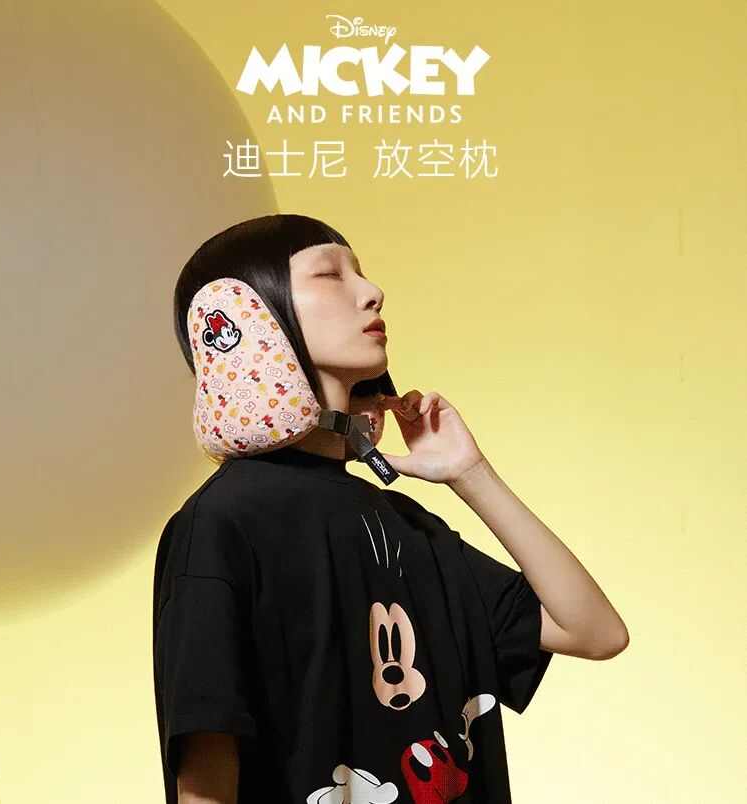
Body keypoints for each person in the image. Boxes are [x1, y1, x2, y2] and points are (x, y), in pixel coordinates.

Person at [152, 213, 630, 804]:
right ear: (240, 319)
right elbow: (205, 781)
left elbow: (596, 632)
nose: (371, 292)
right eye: (330, 274)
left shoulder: (408, 526)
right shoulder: (221, 525)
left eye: (361, 272)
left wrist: (470, 474)